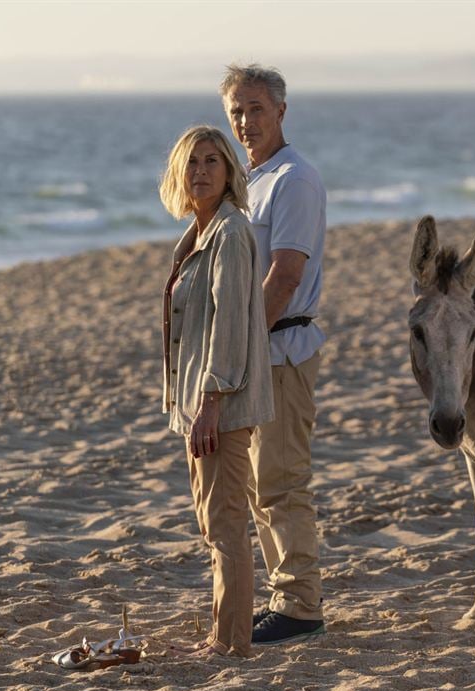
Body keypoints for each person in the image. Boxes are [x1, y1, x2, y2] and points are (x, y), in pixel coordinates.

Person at [219, 63, 328, 645]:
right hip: (256, 350)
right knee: (260, 484)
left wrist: (241, 349)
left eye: (256, 108)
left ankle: (301, 607)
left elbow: (285, 275)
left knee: (282, 480)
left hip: (280, 349)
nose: (245, 120)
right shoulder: (247, 179)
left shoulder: (295, 180)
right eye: (236, 110)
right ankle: (288, 595)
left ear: (282, 112)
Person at [159, 125, 274, 657]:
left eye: (211, 161)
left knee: (226, 523)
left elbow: (228, 327)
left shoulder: (229, 232)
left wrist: (210, 402)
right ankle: (222, 634)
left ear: (229, 170)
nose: (200, 172)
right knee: (215, 521)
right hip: (201, 407)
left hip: (220, 407)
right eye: (192, 163)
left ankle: (233, 644)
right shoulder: (201, 233)